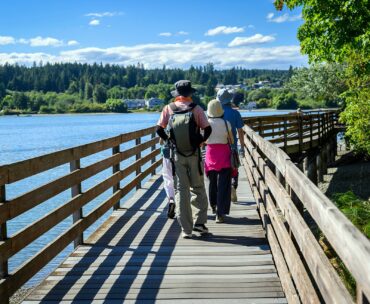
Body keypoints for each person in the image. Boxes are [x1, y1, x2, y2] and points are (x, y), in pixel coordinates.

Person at [156, 80, 212, 239]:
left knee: (182, 190)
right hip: (194, 154)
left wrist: (169, 140)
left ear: (177, 94)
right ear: (190, 93)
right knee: (198, 187)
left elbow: (158, 129)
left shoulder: (169, 108)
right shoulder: (196, 109)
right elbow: (208, 129)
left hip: (177, 156)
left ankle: (186, 229)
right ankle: (200, 223)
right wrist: (201, 142)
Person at [204, 99, 234, 223]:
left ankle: (213, 206)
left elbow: (203, 141)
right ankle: (220, 214)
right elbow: (231, 141)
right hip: (224, 155)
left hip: (211, 155)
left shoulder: (206, 124)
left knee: (212, 183)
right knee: (224, 185)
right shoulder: (226, 123)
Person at [217, 89, 245, 203]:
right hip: (232, 147)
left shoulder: (215, 114)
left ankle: (224, 191)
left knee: (221, 170)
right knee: (234, 168)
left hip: (219, 147)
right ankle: (233, 185)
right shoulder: (235, 113)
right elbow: (240, 131)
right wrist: (242, 147)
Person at [160, 138, 176, 219]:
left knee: (167, 179)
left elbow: (160, 141)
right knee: (180, 179)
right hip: (180, 153)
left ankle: (171, 199)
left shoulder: (165, 125)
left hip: (167, 154)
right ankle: (182, 206)